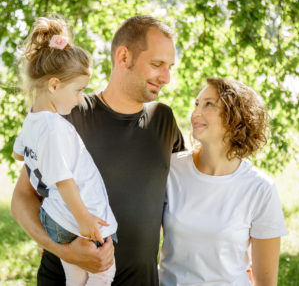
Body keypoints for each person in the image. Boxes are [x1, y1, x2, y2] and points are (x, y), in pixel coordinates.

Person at [11, 15, 185, 286]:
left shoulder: (164, 120)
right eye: (157, 64)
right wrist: (64, 251)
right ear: (124, 57)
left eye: (170, 66)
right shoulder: (66, 115)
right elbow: (22, 199)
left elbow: (192, 190)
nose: (167, 77)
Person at [12, 16, 118, 285]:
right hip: (74, 218)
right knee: (104, 272)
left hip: (53, 217)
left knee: (75, 273)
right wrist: (84, 219)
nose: (81, 98)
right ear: (55, 85)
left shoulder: (33, 118)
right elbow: (64, 180)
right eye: (78, 90)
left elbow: (18, 154)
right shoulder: (54, 127)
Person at [160, 77, 287, 286]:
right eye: (197, 104)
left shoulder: (260, 189)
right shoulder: (170, 170)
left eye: (209, 104)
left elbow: (266, 281)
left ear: (235, 117)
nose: (195, 114)